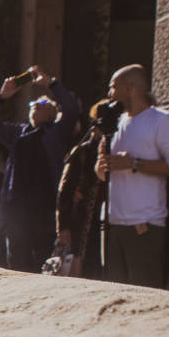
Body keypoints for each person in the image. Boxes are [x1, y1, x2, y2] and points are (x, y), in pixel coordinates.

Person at [0, 65, 80, 271]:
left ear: (54, 112)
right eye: (32, 102)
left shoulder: (58, 133)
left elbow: (71, 109)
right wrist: (1, 96)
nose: (35, 104)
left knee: (44, 262)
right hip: (17, 211)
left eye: (42, 102)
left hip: (46, 211)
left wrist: (50, 83)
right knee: (17, 264)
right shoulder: (19, 133)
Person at [95, 64, 169, 289]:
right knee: (114, 292)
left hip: (144, 224)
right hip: (113, 223)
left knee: (143, 292)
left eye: (113, 87)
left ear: (130, 88)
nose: (109, 94)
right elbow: (101, 175)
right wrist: (101, 164)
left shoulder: (160, 120)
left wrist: (134, 163)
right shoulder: (115, 124)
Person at [56, 100, 109, 278]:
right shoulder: (83, 152)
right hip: (83, 221)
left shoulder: (119, 146)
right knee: (81, 269)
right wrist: (63, 226)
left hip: (111, 219)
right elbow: (65, 189)